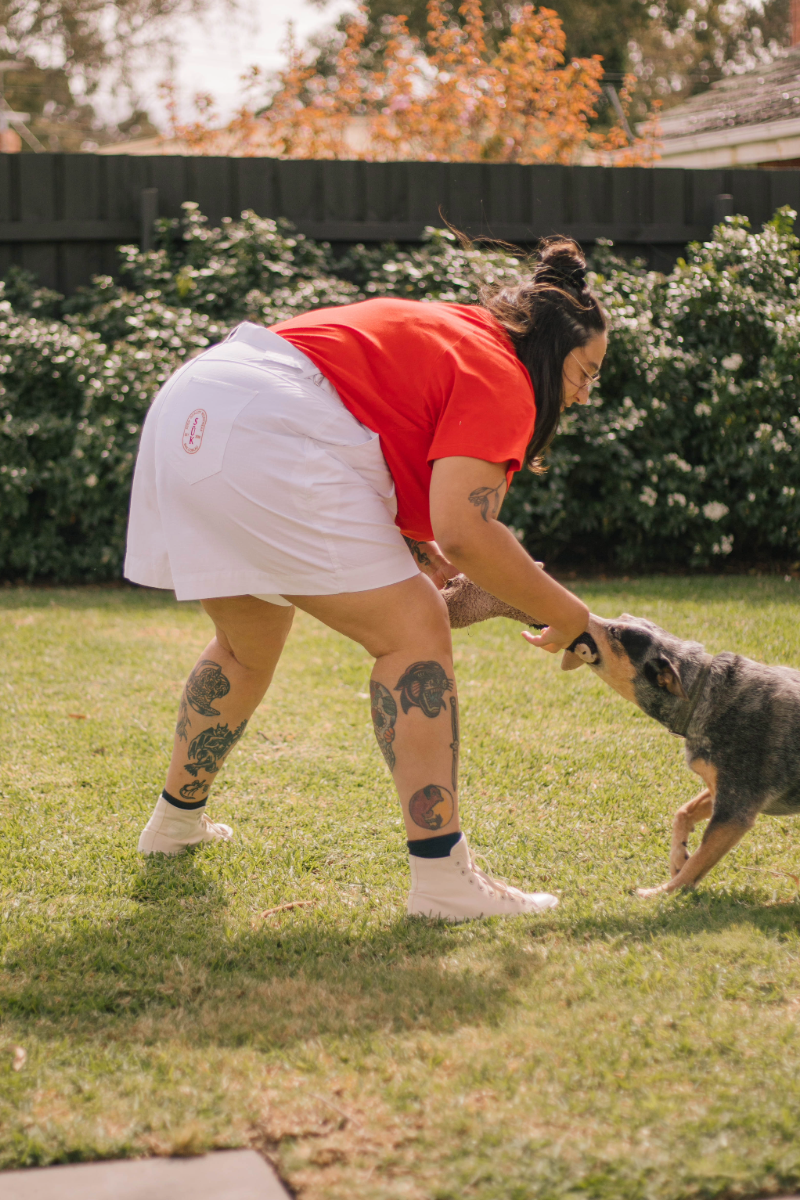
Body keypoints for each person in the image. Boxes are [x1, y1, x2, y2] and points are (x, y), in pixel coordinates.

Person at [124, 237, 607, 921]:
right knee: (415, 632)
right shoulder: (506, 372)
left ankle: (173, 826)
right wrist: (568, 613)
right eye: (585, 373)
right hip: (268, 424)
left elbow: (373, 422)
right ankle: (443, 882)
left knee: (244, 644)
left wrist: (416, 544)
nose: (584, 395)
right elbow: (469, 532)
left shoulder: (457, 330)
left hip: (192, 406)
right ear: (551, 350)